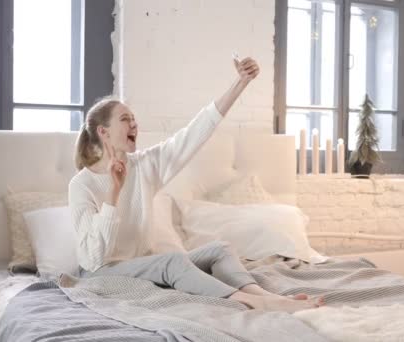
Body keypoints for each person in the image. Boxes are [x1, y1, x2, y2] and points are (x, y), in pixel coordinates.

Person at [69, 56, 322, 312]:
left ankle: (262, 295)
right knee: (172, 262)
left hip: (143, 266)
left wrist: (241, 83)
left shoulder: (145, 166)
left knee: (219, 249)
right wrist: (113, 192)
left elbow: (196, 131)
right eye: (125, 119)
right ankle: (252, 303)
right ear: (104, 132)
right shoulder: (82, 185)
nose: (134, 123)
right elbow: (93, 258)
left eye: (134, 118)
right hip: (101, 274)